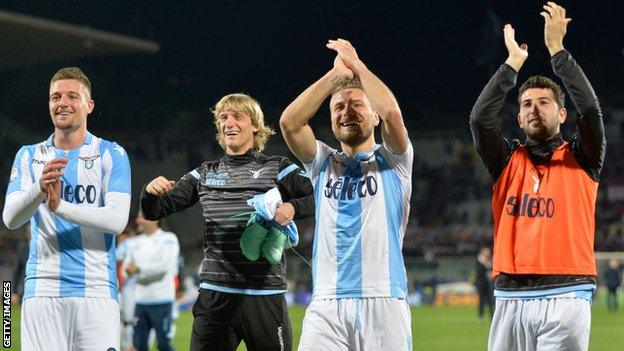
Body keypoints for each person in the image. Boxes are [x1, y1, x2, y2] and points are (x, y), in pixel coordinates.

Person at [469, 3, 606, 350]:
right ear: (518, 118)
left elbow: (589, 109)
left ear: (562, 114)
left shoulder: (582, 157)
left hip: (567, 293)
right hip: (509, 294)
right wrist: (511, 65)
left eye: (544, 102)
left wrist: (558, 52)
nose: (533, 108)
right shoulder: (506, 161)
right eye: (526, 104)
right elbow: (480, 120)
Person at [140, 93, 315, 351]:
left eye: (237, 116)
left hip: (264, 295)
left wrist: (293, 206)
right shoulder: (204, 173)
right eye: (223, 117)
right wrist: (149, 192)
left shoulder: (278, 167)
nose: (228, 122)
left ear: (255, 125)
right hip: (215, 297)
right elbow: (155, 211)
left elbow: (321, 195)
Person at [280, 38, 413, 350]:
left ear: (374, 115)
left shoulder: (394, 160)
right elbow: (289, 123)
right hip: (327, 304)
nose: (346, 112)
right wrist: (334, 79)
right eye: (338, 106)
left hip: (384, 299)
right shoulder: (322, 162)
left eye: (357, 104)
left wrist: (359, 68)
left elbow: (393, 114)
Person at [2, 67, 131, 350]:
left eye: (73, 96)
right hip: (42, 290)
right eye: (56, 96)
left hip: (96, 291)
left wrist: (60, 206)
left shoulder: (111, 153)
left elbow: (117, 220)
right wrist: (39, 187)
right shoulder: (29, 155)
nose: (63, 102)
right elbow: (10, 218)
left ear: (89, 105)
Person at [124, 212, 180, 351]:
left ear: (155, 220)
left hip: (162, 300)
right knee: (140, 345)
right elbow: (126, 267)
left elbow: (164, 267)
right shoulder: (134, 242)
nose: (138, 221)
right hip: (140, 300)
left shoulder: (169, 238)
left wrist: (138, 270)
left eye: (141, 217)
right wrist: (131, 270)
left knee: (163, 345)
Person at [117, 224, 140, 351]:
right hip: (121, 287)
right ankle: (126, 345)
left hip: (129, 288)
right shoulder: (124, 248)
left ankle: (129, 345)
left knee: (128, 319)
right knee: (121, 319)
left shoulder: (129, 246)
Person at [474, 247, 494, 324]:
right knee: (481, 300)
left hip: (488, 284)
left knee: (490, 301)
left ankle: (492, 316)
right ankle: (480, 316)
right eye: (486, 252)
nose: (488, 254)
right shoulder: (479, 260)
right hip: (481, 283)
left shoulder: (489, 261)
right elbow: (479, 272)